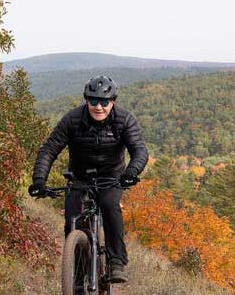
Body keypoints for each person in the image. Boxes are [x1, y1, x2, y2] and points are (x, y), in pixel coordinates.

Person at [29, 75, 149, 283]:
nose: (98, 107)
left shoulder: (124, 120)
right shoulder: (72, 119)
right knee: (73, 222)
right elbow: (49, 149)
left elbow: (139, 150)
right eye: (93, 101)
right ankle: (77, 276)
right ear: (86, 100)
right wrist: (39, 180)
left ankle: (116, 263)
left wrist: (131, 173)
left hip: (112, 176)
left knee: (110, 205)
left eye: (104, 102)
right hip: (79, 176)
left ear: (113, 102)